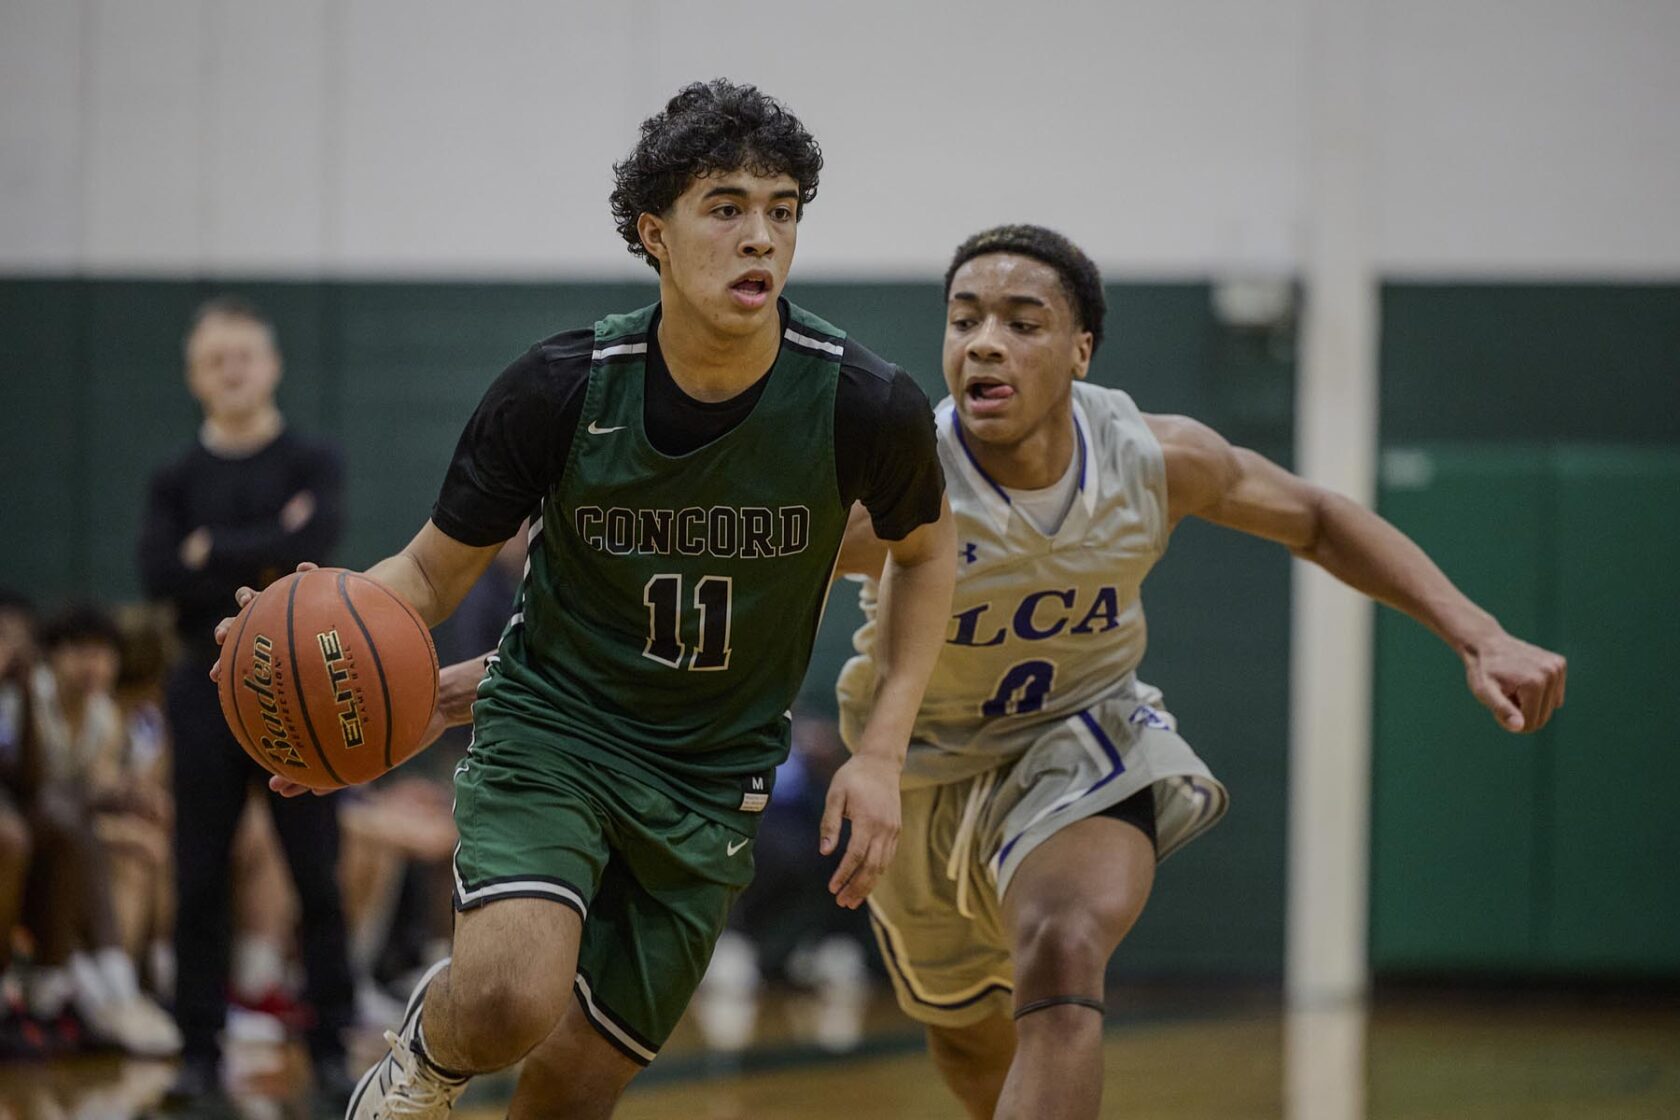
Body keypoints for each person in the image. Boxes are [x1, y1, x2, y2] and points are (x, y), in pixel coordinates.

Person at [234, 80, 955, 1119]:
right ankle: (424, 1059)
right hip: (556, 733)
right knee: (508, 999)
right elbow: (428, 575)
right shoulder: (561, 388)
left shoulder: (862, 403)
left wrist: (882, 753)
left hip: (712, 775)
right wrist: (307, 642)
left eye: (782, 210)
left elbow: (926, 554)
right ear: (653, 232)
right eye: (726, 208)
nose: (760, 236)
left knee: (576, 1084)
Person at [835, 225, 1569, 1120]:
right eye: (965, 320)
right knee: (963, 1034)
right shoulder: (896, 487)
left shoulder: (1154, 459)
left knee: (1064, 948)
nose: (985, 342)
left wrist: (1479, 634)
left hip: (1083, 736)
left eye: (1022, 323)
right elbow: (758, 590)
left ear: (1080, 350)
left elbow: (1317, 518)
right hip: (921, 768)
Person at [137, 297, 357, 1105]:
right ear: (195, 376)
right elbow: (159, 575)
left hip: (299, 689)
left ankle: (331, 1044)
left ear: (272, 366)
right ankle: (198, 1050)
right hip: (203, 686)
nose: (232, 371)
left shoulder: (312, 460)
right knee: (199, 876)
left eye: (244, 356)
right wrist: (265, 546)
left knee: (317, 876)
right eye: (215, 360)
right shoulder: (174, 477)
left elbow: (313, 546)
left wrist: (212, 549)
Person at [21, 605, 181, 1056]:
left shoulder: (102, 715)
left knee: (139, 848)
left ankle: (126, 991)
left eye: (103, 654)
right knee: (98, 837)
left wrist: (132, 799)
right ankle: (113, 986)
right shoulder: (28, 696)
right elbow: (38, 793)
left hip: (72, 836)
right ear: (53, 655)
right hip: (32, 829)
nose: (93, 665)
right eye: (81, 652)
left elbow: (97, 790)